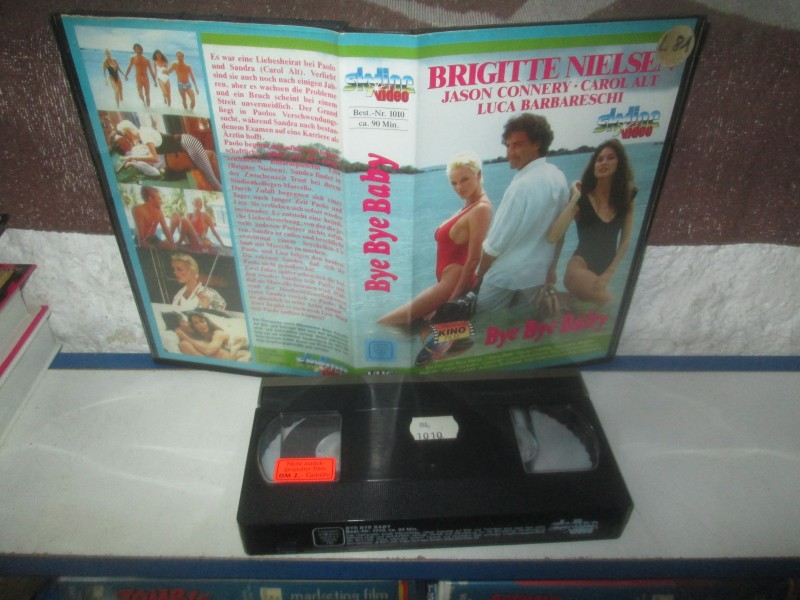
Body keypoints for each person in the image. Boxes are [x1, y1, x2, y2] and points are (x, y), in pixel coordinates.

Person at [378, 151, 492, 328]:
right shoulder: (468, 206)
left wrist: (451, 301)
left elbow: (474, 259)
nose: (459, 187)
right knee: (414, 329)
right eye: (454, 183)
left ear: (478, 175)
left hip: (452, 284)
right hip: (446, 283)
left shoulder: (481, 209)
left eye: (464, 180)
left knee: (386, 323)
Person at [474, 113, 570, 311]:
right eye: (508, 146)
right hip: (536, 274)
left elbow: (495, 245)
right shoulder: (558, 177)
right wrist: (551, 268)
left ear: (536, 144)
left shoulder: (520, 187)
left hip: (504, 276)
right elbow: (560, 232)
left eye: (517, 145)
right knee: (521, 324)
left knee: (481, 322)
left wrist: (478, 278)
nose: (510, 152)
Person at [547, 139, 637, 305]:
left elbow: (625, 241)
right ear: (593, 165)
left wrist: (609, 273)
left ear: (620, 163)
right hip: (578, 269)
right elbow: (554, 236)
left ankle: (567, 303)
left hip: (602, 271)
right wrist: (575, 197)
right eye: (599, 159)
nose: (603, 162)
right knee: (608, 303)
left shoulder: (626, 197)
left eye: (610, 158)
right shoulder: (582, 199)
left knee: (591, 311)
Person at [113, 120, 222, 191]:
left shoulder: (144, 136)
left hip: (188, 143)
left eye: (125, 135)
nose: (127, 138)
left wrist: (132, 157)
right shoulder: (143, 132)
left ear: (128, 131)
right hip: (186, 142)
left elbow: (155, 158)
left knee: (211, 178)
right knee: (210, 172)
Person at [176, 311, 249, 360]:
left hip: (240, 352)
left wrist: (185, 337)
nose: (201, 325)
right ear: (193, 326)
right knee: (184, 344)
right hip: (224, 358)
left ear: (206, 321)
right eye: (196, 323)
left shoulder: (218, 333)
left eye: (202, 321)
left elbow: (209, 351)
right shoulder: (198, 337)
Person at [124, 43, 156, 107]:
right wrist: (126, 75)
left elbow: (151, 71)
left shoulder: (146, 59)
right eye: (136, 49)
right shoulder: (133, 58)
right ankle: (144, 103)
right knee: (140, 94)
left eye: (139, 49)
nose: (138, 50)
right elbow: (129, 67)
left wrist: (155, 81)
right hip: (138, 78)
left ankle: (149, 108)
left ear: (141, 49)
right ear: (135, 50)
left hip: (145, 78)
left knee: (147, 95)